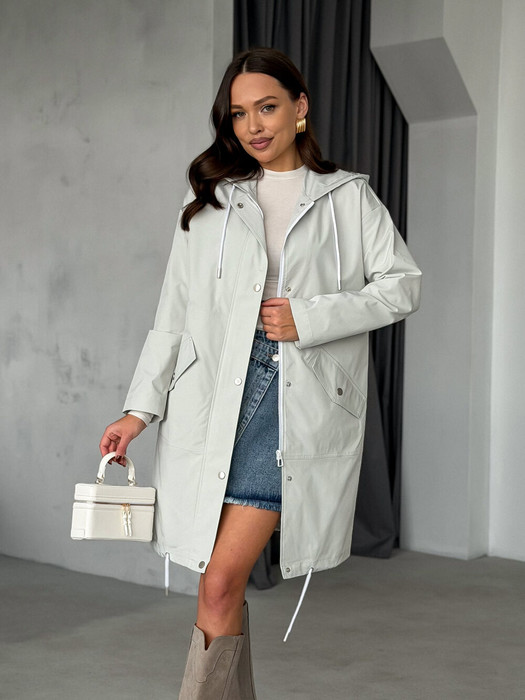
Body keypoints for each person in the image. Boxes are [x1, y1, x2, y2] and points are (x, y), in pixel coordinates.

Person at [99, 47, 421, 699]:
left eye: (267, 107)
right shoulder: (211, 200)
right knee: (215, 582)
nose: (253, 125)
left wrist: (310, 317)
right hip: (211, 393)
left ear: (299, 108)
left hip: (289, 397)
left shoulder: (347, 197)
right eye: (239, 113)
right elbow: (174, 313)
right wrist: (139, 411)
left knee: (220, 582)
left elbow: (401, 286)